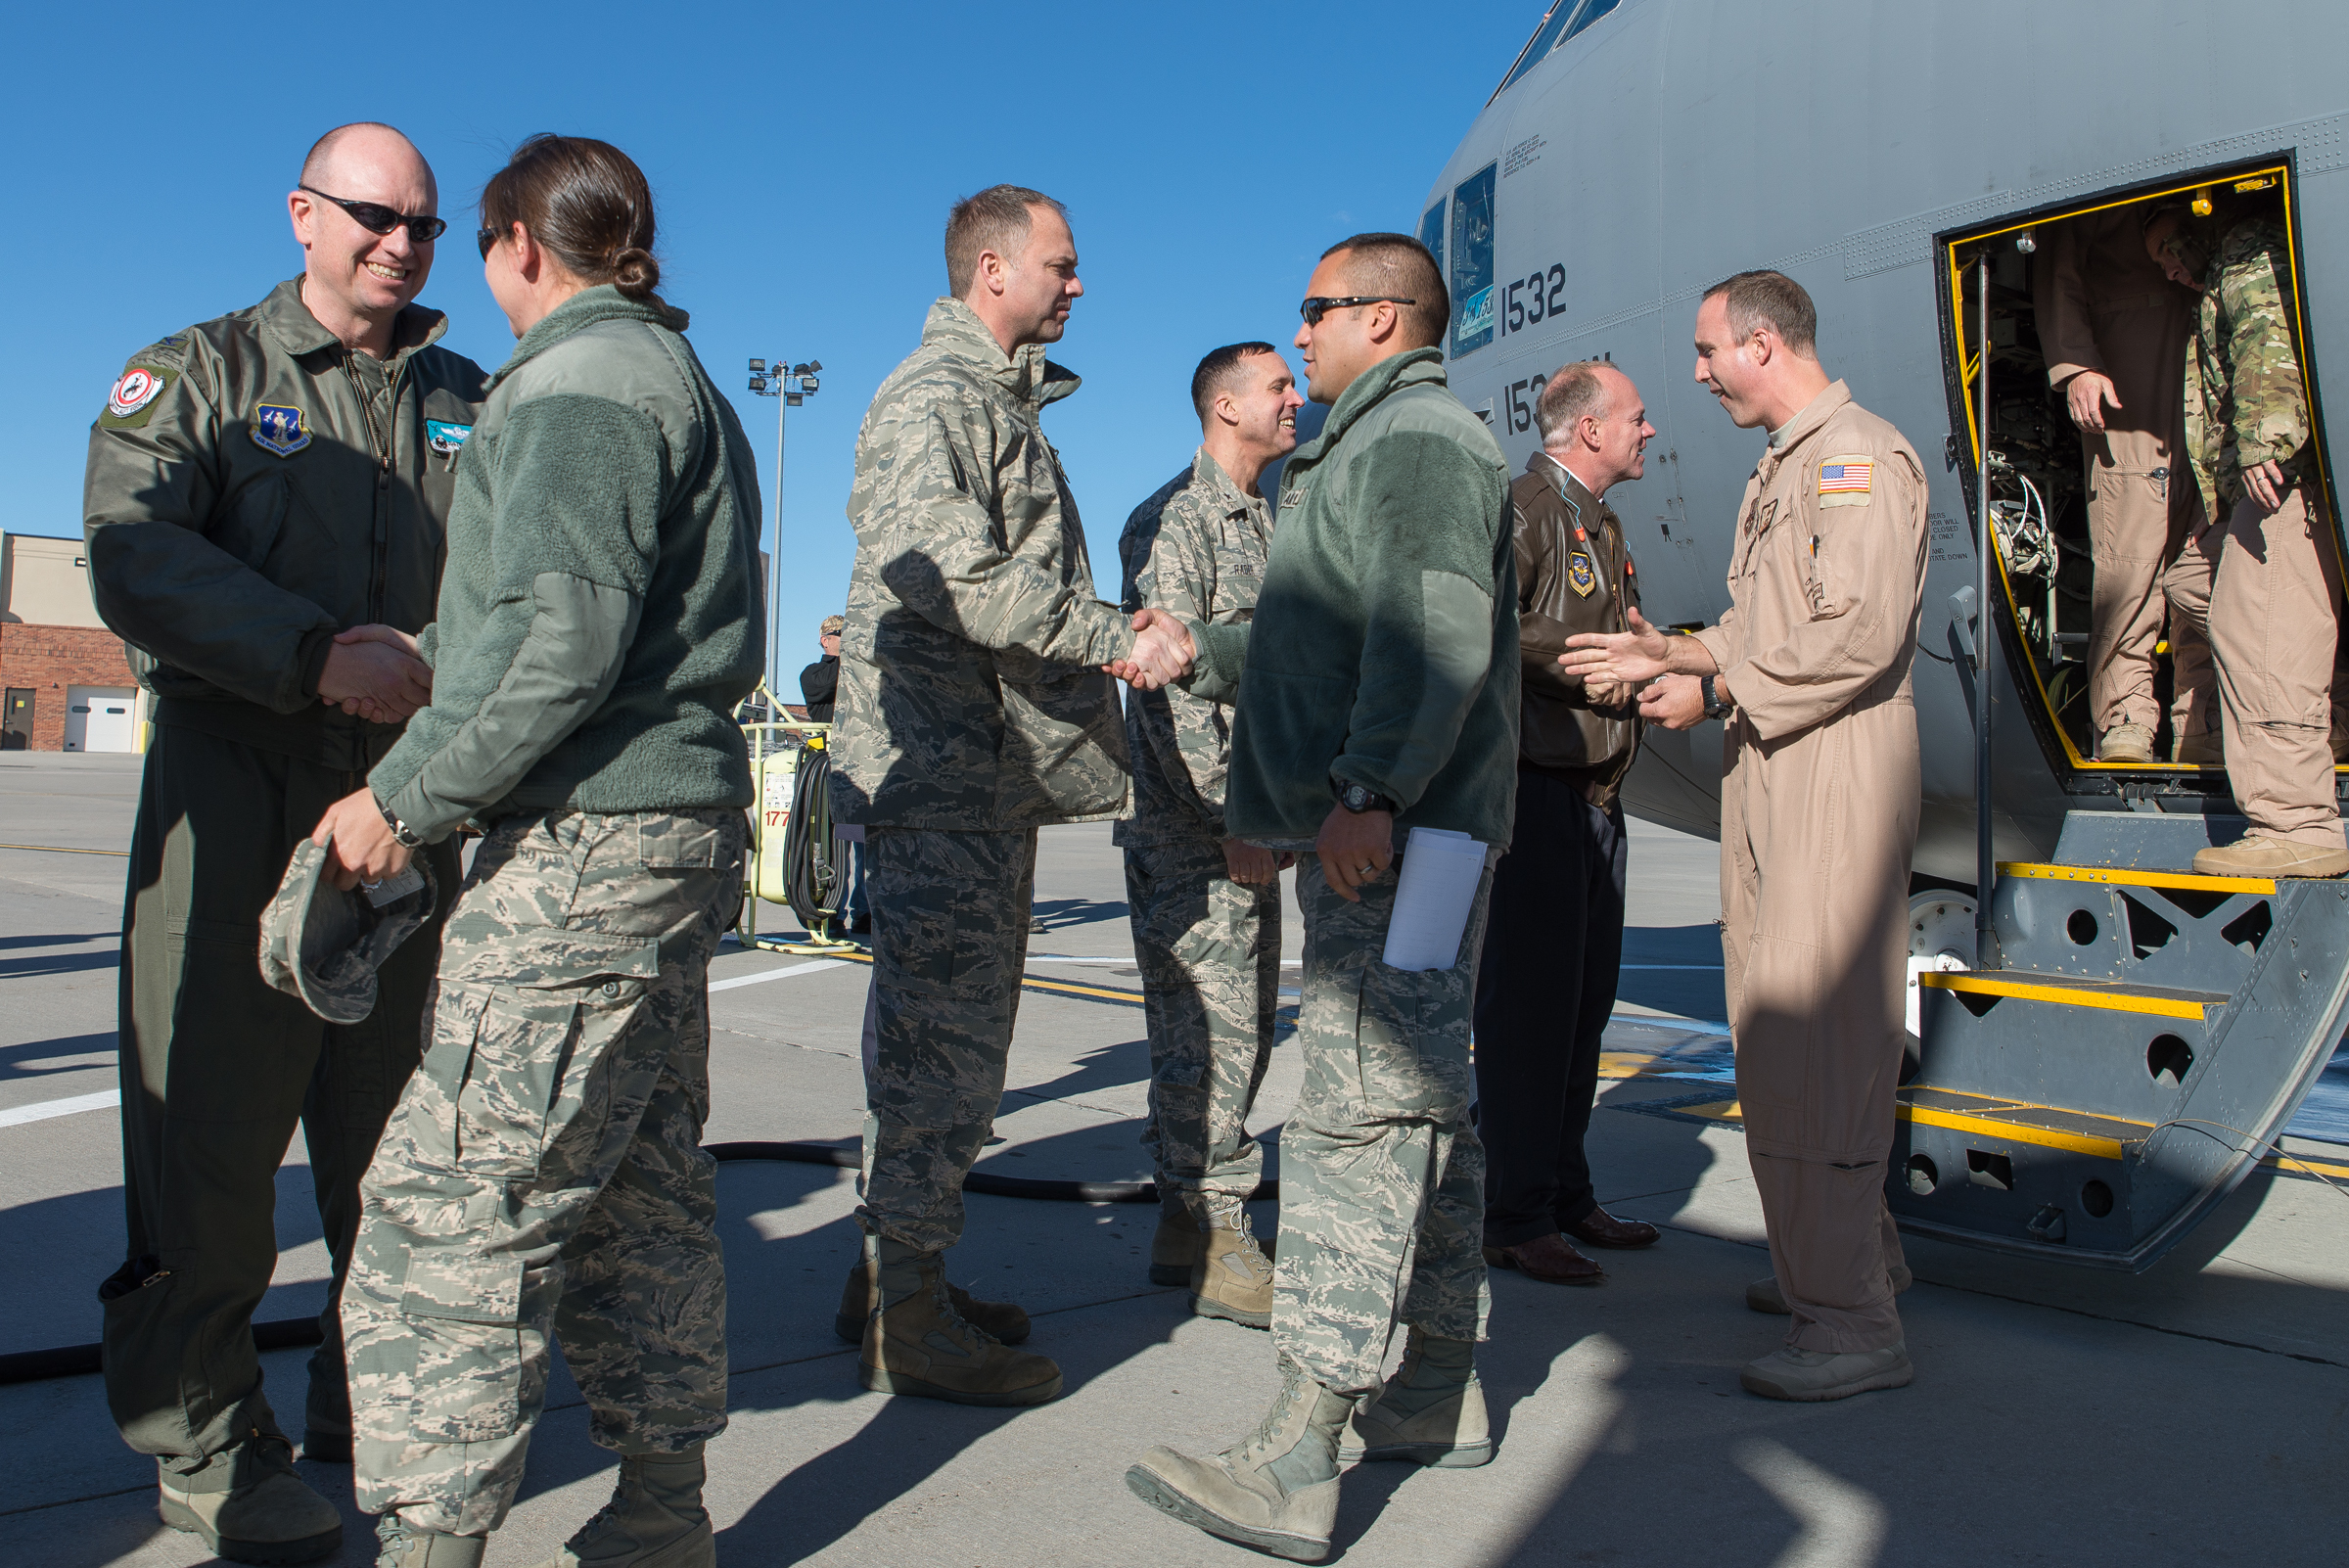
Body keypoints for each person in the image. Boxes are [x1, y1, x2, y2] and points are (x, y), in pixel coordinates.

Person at [310, 133, 765, 1567]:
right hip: (661, 832)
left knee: (454, 1210)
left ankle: (432, 1544)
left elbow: (566, 647)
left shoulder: (575, 383)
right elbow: (557, 618)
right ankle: (661, 1516)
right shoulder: (664, 372)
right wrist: (434, 654)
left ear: (517, 242)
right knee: (637, 1188)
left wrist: (405, 796)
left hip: (587, 836)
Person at [81, 120, 487, 1565]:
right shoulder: (198, 376)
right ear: (304, 214)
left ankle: (366, 1409)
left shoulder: (469, 397)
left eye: (426, 225)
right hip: (241, 792)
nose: (403, 243)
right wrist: (310, 652)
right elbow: (134, 550)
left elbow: (519, 573)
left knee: (400, 1151)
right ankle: (204, 1443)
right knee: (211, 1145)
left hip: (408, 814)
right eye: (376, 215)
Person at [1126, 233, 1517, 1562]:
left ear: (1387, 319)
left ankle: (1299, 1448)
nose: (1300, 337)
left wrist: (1370, 790)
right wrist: (1205, 647)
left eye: (1317, 311)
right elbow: (1318, 637)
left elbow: (1437, 631)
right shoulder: (1363, 454)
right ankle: (1434, 1380)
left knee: (1358, 1110)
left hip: (1397, 843)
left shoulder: (1415, 444)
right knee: (1426, 1105)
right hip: (1403, 836)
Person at [828, 184, 1193, 1408]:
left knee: (937, 1048)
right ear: (993, 269)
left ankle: (893, 1281)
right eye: (1063, 263)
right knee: (946, 1054)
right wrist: (1110, 637)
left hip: (976, 775)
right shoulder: (938, 399)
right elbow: (956, 579)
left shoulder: (989, 403)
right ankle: (911, 1317)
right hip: (948, 777)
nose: (1079, 284)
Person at [1564, 270, 1928, 1404]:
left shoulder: (1854, 458)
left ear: (1764, 344)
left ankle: (1851, 1323)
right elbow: (1776, 626)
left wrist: (1715, 682)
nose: (1697, 371)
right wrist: (1677, 659)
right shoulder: (1794, 464)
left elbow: (1856, 636)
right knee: (1781, 1019)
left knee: (1814, 1032)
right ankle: (1846, 1264)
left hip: (1830, 759)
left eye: (1708, 348)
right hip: (1782, 756)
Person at [1117, 342, 1305, 1327]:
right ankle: (1221, 1238)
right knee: (1211, 1039)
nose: (1294, 398)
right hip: (1199, 832)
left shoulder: (1269, 525)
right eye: (1277, 387)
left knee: (1237, 1032)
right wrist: (1236, 815)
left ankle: (1187, 1228)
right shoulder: (1173, 520)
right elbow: (1168, 688)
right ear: (1225, 407)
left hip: (1248, 822)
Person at [1473, 361, 1659, 1290]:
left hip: (1597, 796)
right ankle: (1511, 1214)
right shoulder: (1522, 510)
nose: (1648, 430)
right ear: (1588, 429)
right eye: (1633, 417)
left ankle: (1565, 1191)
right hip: (1538, 791)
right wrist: (1600, 661)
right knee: (1530, 1017)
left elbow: (1617, 627)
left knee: (1586, 1008)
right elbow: (1490, 622)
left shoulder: (1600, 521)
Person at [2143, 203, 2348, 877]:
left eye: (2170, 249)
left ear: (2195, 229)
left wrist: (2268, 438)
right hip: (2256, 490)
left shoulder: (2242, 251)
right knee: (2191, 584)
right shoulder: (2218, 273)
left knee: (2260, 635)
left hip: (2279, 484)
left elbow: (2270, 328)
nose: (2170, 269)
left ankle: (2297, 821)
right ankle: (2332, 715)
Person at [2034, 208, 2213, 762]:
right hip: (2128, 377)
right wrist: (2076, 366)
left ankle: (2204, 727)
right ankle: (2127, 719)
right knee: (2131, 562)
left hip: (2205, 368)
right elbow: (2056, 264)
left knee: (2204, 569)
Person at [799, 613, 844, 721]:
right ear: (825, 641)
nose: (847, 638)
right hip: (830, 737)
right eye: (841, 633)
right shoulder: (812, 673)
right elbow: (829, 682)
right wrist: (850, 655)